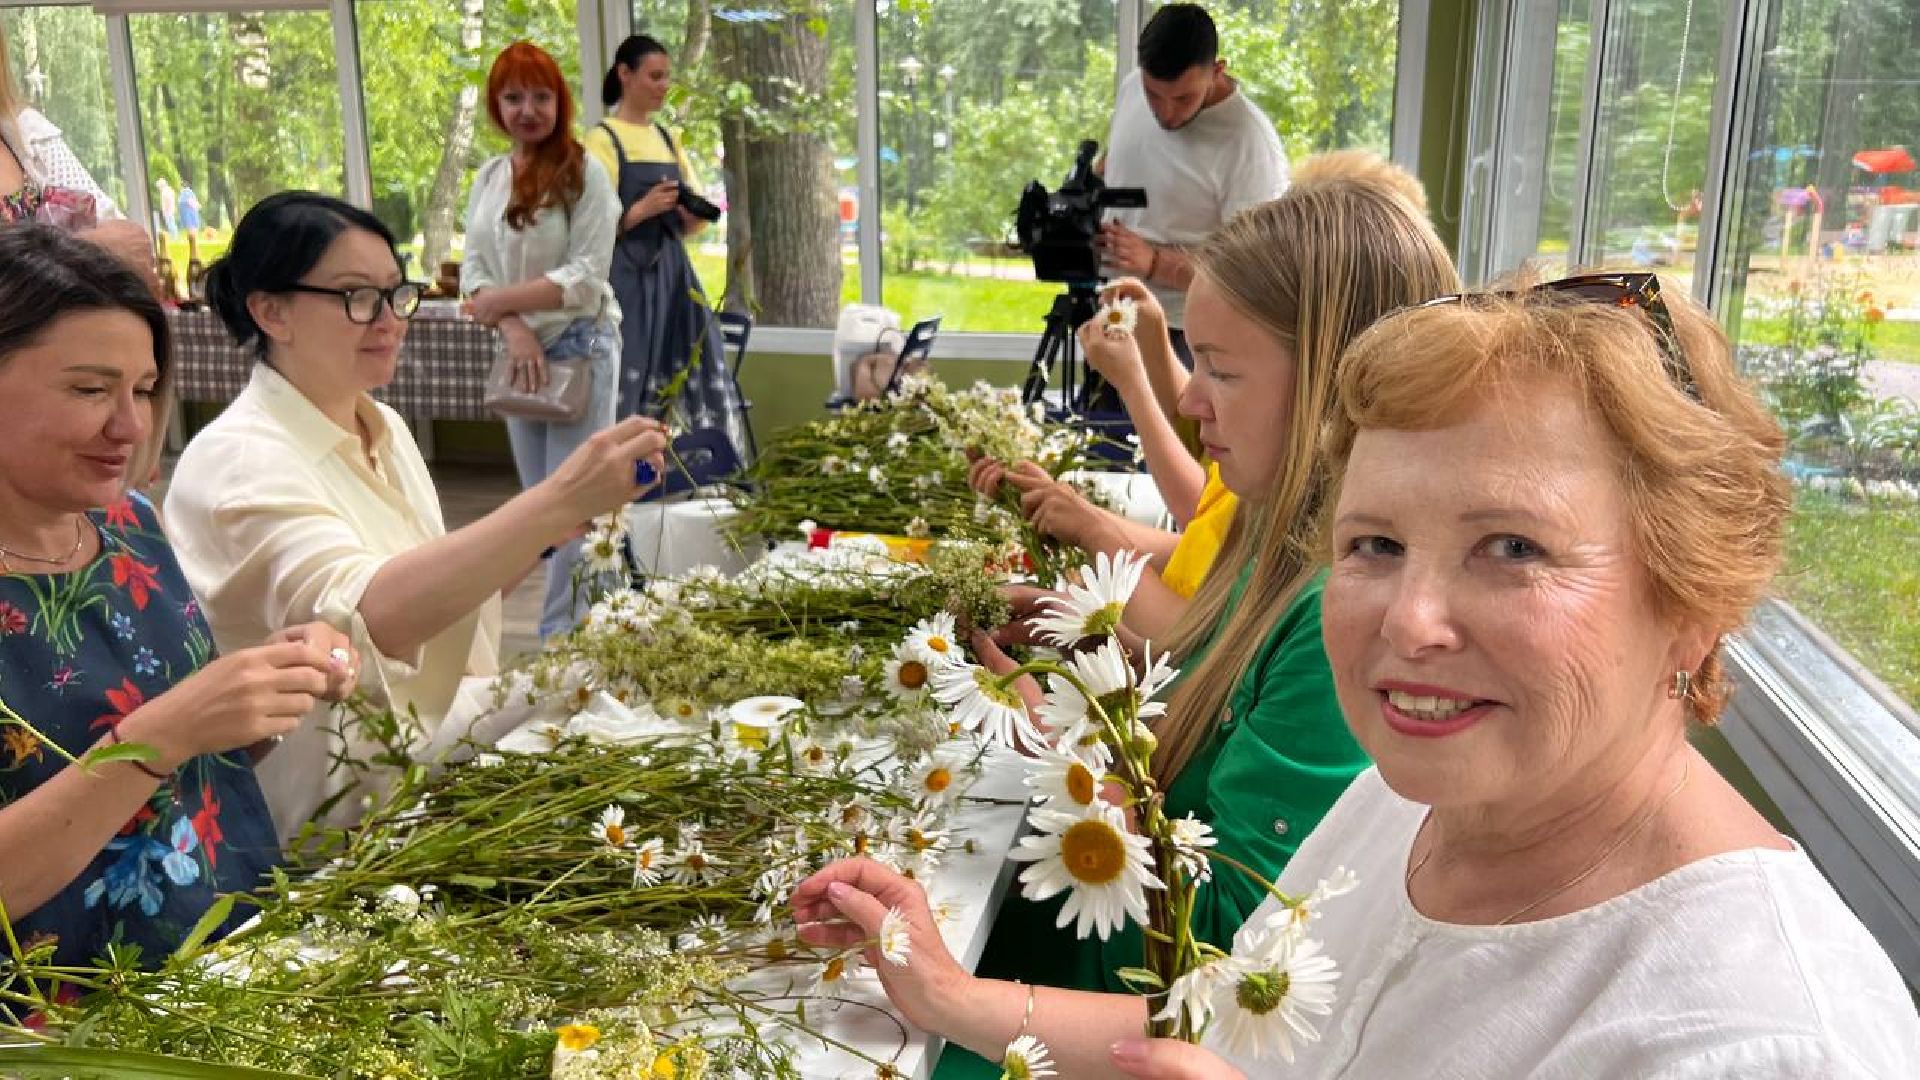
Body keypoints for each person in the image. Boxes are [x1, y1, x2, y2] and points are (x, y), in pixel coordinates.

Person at [795, 275, 1920, 1078]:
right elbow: (1223, 1034)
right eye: (1374, 544)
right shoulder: (1406, 798)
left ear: (1695, 599)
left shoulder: (1764, 1040)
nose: (1410, 622)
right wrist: (944, 990)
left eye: (1513, 548)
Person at [922, 178, 1462, 1079]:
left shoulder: (1348, 619)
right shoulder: (1267, 537)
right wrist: (1082, 648)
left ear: (1331, 382)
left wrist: (1083, 749)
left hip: (1123, 1012)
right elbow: (1196, 717)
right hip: (1087, 968)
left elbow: (1216, 954)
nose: (1194, 398)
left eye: (1221, 368)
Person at [163, 192, 668, 841]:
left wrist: (538, 538)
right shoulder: (236, 461)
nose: (388, 320)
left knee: (621, 672)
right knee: (594, 688)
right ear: (270, 310)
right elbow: (365, 626)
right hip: (335, 800)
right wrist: (553, 502)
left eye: (394, 294)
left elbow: (439, 606)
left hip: (417, 746)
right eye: (356, 296)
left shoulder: (383, 425)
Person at [0, 224, 358, 971]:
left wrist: (260, 692)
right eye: (91, 389)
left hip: (238, 961)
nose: (130, 426)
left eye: (143, 389)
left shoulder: (128, 525)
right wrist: (164, 732)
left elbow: (187, 761)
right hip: (79, 1022)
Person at [978, 152, 1430, 641]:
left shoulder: (1323, 597)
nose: (1194, 401)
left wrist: (1099, 535)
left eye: (1221, 370)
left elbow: (1195, 643)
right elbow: (1202, 549)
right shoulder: (1269, 502)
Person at [462, 41, 622, 641]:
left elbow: (585, 280)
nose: (527, 109)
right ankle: (579, 632)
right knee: (538, 509)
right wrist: (511, 328)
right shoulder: (489, 177)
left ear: (561, 101)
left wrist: (500, 304)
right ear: (495, 106)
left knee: (575, 506)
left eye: (541, 96)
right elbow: (474, 268)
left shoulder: (587, 174)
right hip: (520, 354)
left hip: (582, 346)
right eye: (513, 97)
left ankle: (570, 642)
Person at [583, 34, 748, 461]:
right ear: (625, 74)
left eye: (666, 78)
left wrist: (691, 217)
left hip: (673, 273)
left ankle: (702, 466)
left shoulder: (667, 137)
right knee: (631, 364)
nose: (663, 86)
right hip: (627, 277)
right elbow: (589, 228)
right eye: (655, 76)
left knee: (695, 351)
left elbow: (686, 220)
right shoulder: (600, 141)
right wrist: (640, 210)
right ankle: (619, 473)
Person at [1098, 3, 1288, 363]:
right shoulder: (1131, 89)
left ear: (1217, 71)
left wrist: (1154, 262)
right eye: (1153, 94)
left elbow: (1251, 272)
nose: (1166, 113)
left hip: (1188, 335)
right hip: (1114, 313)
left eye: (1183, 98)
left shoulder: (1250, 143)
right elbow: (1123, 158)